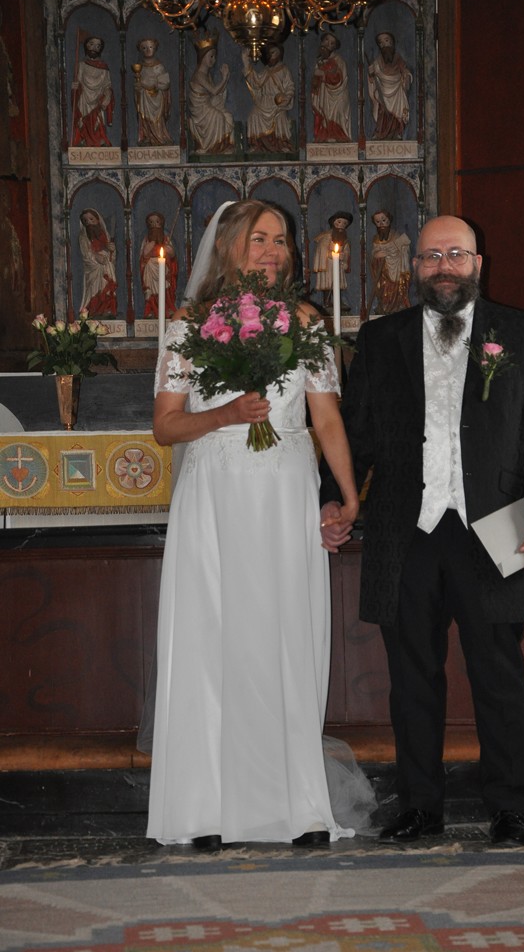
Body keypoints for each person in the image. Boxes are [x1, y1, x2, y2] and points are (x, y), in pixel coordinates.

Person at [320, 215, 524, 847]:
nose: (444, 266)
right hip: (404, 531)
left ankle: (510, 809)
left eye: (456, 254)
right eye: (432, 256)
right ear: (415, 267)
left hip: (497, 526)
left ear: (477, 264)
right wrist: (334, 500)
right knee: (410, 678)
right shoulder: (380, 338)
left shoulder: (522, 332)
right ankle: (419, 807)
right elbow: (355, 433)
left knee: (498, 675)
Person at [145, 199, 371, 849]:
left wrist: (348, 498)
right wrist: (224, 415)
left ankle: (296, 806)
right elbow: (165, 426)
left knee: (285, 637)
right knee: (213, 641)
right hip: (215, 495)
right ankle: (205, 810)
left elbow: (327, 418)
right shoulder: (188, 326)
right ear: (229, 247)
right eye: (260, 238)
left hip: (285, 492)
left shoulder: (308, 323)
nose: (274, 251)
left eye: (281, 240)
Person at [242, 43, 295, 153]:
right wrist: (246, 63)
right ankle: (256, 144)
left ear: (279, 54)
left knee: (280, 116)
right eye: (268, 54)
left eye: (273, 53)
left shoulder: (284, 70)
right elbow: (256, 82)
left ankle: (282, 143)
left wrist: (286, 97)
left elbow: (290, 86)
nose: (270, 56)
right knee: (253, 115)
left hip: (277, 103)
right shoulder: (265, 70)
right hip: (264, 102)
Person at [188, 36, 234, 155]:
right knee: (218, 117)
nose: (213, 60)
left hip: (207, 104)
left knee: (228, 116)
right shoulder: (199, 75)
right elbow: (214, 91)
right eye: (211, 56)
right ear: (202, 57)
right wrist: (224, 78)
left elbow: (215, 93)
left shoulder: (207, 75)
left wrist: (226, 78)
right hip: (200, 109)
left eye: (215, 56)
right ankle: (211, 147)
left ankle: (224, 146)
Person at [367, 32, 413, 141]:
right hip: (383, 91)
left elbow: (405, 71)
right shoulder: (377, 61)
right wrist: (371, 74)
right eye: (381, 43)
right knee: (382, 112)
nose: (384, 44)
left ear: (392, 43)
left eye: (386, 41)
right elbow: (373, 77)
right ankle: (381, 132)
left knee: (397, 113)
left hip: (396, 91)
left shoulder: (398, 58)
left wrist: (406, 77)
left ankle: (397, 132)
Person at [71, 35, 114, 148]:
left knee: (97, 119)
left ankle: (99, 139)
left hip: (97, 97)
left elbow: (107, 85)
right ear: (86, 46)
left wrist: (108, 94)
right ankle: (83, 139)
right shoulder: (81, 65)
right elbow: (78, 82)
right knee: (83, 119)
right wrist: (75, 87)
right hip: (84, 97)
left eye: (98, 46)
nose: (94, 48)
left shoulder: (104, 67)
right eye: (91, 44)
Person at [368, 209, 411, 314]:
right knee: (384, 290)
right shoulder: (376, 239)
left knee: (396, 289)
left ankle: (397, 306)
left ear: (389, 220)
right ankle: (384, 306)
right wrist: (377, 255)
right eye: (378, 222)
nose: (381, 224)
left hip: (397, 271)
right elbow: (373, 255)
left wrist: (394, 254)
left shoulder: (396, 236)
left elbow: (405, 251)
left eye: (384, 220)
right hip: (383, 274)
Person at [311, 33, 352, 143]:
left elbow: (338, 78)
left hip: (338, 95)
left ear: (334, 47)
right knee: (323, 113)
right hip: (324, 95)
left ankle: (337, 135)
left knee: (336, 114)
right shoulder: (319, 62)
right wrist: (316, 80)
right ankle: (324, 134)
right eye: (326, 40)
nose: (327, 44)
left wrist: (323, 74)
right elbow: (315, 83)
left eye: (331, 43)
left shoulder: (338, 60)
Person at [78, 208, 118, 317]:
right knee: (95, 289)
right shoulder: (83, 237)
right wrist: (96, 257)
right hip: (94, 269)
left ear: (97, 220)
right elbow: (86, 254)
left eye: (91, 219)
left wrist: (112, 250)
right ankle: (94, 311)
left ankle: (107, 309)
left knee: (107, 287)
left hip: (107, 266)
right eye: (85, 221)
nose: (89, 223)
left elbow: (112, 256)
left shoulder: (105, 234)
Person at [133, 37, 173, 146]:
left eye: (150, 47)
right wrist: (138, 88)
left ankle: (160, 136)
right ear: (140, 50)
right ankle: (147, 136)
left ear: (155, 48)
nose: (148, 50)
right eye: (144, 48)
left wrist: (153, 84)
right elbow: (137, 86)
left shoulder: (159, 67)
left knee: (158, 119)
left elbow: (165, 83)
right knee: (145, 118)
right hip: (144, 98)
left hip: (157, 98)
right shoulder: (140, 67)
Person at [139, 212, 178, 318]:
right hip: (150, 270)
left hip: (164, 270)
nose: (154, 225)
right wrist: (150, 245)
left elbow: (172, 255)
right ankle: (151, 309)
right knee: (150, 291)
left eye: (157, 222)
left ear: (161, 224)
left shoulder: (166, 240)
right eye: (151, 222)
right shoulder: (147, 240)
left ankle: (167, 307)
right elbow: (144, 255)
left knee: (165, 288)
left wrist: (169, 250)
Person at [312, 211, 352, 313]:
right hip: (328, 265)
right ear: (333, 223)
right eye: (339, 222)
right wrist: (331, 254)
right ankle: (326, 301)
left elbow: (346, 250)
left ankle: (338, 301)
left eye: (344, 223)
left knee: (338, 284)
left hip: (338, 265)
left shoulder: (344, 238)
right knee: (328, 283)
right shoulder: (326, 237)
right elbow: (322, 250)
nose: (341, 225)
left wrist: (344, 257)